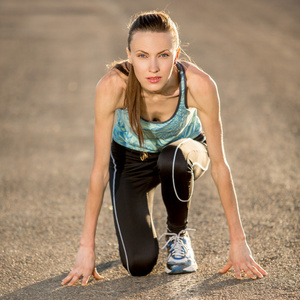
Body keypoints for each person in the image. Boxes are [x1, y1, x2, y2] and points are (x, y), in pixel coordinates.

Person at [62, 11, 267, 286]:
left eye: (163, 55)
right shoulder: (113, 86)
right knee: (138, 264)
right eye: (142, 55)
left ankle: (178, 233)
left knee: (173, 159)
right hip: (131, 159)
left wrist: (239, 242)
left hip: (182, 155)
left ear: (177, 54)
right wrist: (86, 248)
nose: (153, 67)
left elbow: (219, 165)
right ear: (129, 55)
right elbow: (99, 171)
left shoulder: (199, 85)